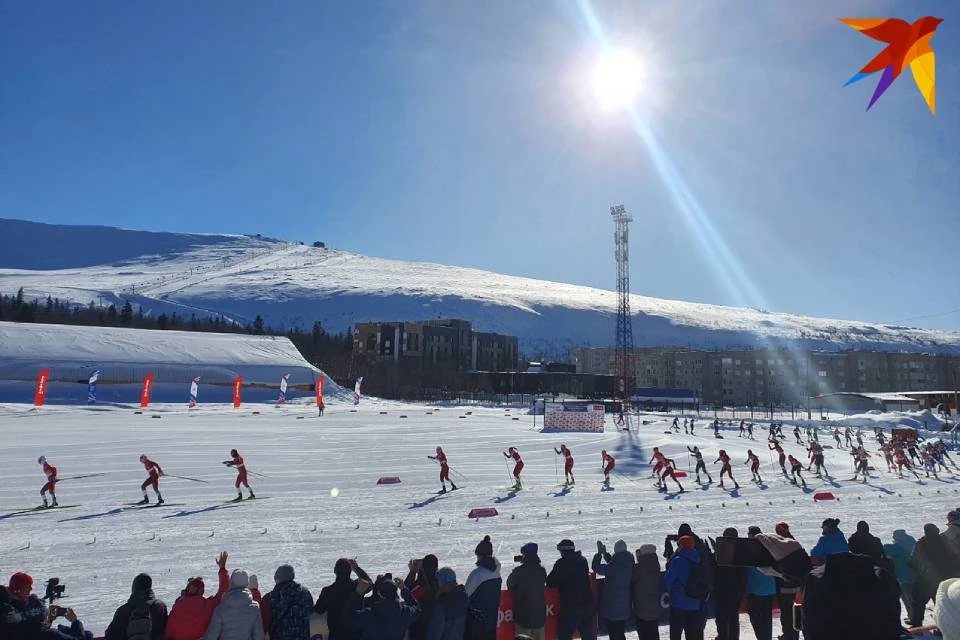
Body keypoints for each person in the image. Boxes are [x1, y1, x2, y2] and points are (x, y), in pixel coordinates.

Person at [165, 552, 230, 640]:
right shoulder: (207, 605)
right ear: (201, 591)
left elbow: (169, 632)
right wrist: (222, 569)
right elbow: (224, 591)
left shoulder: (178, 606)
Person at [910, 523, 960, 627]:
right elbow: (954, 555)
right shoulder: (944, 540)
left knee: (918, 602)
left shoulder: (921, 543)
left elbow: (914, 559)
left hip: (927, 580)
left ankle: (917, 625)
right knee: (942, 604)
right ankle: (943, 626)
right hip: (946, 577)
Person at [342, 575, 420, 640]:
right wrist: (403, 589)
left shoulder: (369, 614)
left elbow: (348, 618)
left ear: (380, 594)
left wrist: (358, 593)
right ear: (396, 593)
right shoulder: (405, 612)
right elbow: (417, 609)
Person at [547, 540, 594, 640]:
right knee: (587, 636)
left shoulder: (562, 564)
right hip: (586, 604)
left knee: (564, 636)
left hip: (571, 606)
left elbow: (551, 582)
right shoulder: (582, 561)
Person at [314, 559, 371, 640]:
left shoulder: (328, 591)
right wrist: (356, 568)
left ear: (335, 571)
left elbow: (319, 610)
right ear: (350, 571)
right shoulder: (357, 587)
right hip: (355, 634)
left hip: (336, 634)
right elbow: (368, 583)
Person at [202, 570, 263, 640]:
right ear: (247, 583)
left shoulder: (221, 609)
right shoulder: (255, 608)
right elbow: (258, 636)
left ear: (231, 583)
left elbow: (211, 636)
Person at [105, 573, 169, 640]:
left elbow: (111, 635)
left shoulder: (123, 610)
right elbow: (167, 630)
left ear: (134, 588)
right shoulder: (160, 606)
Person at [663, 535, 704, 640]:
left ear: (681, 546)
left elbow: (667, 581)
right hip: (695, 603)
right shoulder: (698, 559)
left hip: (679, 604)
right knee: (692, 635)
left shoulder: (678, 561)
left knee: (676, 635)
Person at [592, 540, 633, 640]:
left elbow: (596, 568)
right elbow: (615, 564)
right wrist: (605, 554)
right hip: (624, 607)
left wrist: (599, 554)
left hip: (613, 609)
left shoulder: (614, 567)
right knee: (619, 632)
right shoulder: (629, 563)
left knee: (614, 634)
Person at [506, 543, 546, 640]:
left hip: (524, 616)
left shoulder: (519, 571)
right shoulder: (541, 571)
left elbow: (509, 584)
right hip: (539, 617)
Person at [712, 528, 747, 640]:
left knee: (722, 616)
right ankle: (733, 637)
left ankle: (723, 636)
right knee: (733, 616)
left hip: (723, 590)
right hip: (736, 590)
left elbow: (715, 569)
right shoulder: (740, 552)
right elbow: (743, 573)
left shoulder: (721, 552)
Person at [464, 536, 501, 640]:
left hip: (478, 623)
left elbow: (465, 595)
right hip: (493, 620)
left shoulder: (477, 574)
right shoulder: (497, 573)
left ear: (481, 555)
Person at [263, 565, 313, 640]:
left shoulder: (270, 598)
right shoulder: (305, 593)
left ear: (278, 578)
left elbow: (264, 620)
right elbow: (310, 610)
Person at [745, 527, 775, 640]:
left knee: (756, 617)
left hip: (755, 588)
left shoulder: (750, 549)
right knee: (767, 617)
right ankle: (767, 637)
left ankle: (762, 637)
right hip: (770, 587)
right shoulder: (769, 547)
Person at [772, 523, 801, 640]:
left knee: (786, 614)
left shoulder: (779, 545)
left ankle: (788, 635)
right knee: (794, 613)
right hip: (796, 585)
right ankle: (794, 634)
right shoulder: (795, 543)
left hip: (785, 585)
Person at [883, 529, 917, 628]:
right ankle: (913, 617)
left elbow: (885, 550)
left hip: (903, 576)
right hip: (915, 575)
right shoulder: (913, 543)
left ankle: (913, 619)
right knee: (913, 599)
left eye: (894, 536)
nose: (893, 537)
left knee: (907, 599)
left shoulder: (896, 547)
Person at [426, 568, 467, 640]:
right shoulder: (464, 598)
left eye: (438, 581)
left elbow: (434, 635)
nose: (437, 584)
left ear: (443, 583)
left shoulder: (441, 607)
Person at [404, 554, 438, 640]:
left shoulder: (423, 584)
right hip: (435, 621)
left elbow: (408, 594)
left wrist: (412, 572)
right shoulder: (439, 579)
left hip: (421, 624)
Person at [631, 545, 661, 640]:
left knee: (644, 634)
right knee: (654, 632)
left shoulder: (640, 567)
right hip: (654, 606)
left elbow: (632, 577)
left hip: (641, 608)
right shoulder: (656, 565)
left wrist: (637, 560)